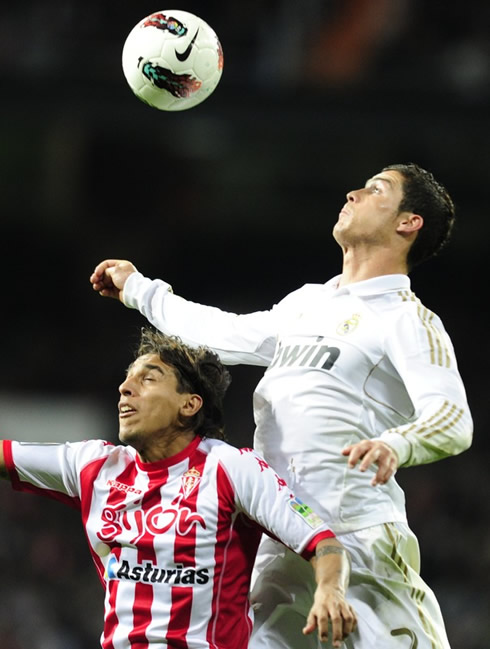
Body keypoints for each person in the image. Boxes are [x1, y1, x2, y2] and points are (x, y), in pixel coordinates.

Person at [90, 162, 473, 649]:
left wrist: (398, 443)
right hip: (279, 539)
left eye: (376, 189)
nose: (353, 192)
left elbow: (453, 419)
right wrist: (140, 290)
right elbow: (223, 333)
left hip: (358, 537)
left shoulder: (406, 319)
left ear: (408, 222)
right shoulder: (309, 303)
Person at [0, 329, 356, 649]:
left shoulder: (230, 468)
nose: (125, 388)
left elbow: (323, 543)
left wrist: (330, 590)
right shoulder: (94, 466)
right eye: (126, 380)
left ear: (189, 404)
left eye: (147, 379)